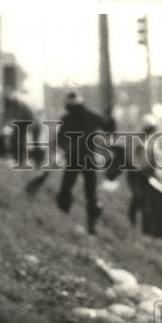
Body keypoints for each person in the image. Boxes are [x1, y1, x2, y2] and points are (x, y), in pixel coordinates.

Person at [56, 91, 115, 235]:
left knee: (66, 190)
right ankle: (90, 224)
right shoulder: (93, 116)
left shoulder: (67, 118)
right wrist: (109, 117)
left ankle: (65, 218)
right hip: (87, 159)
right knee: (90, 194)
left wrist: (66, 148)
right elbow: (109, 129)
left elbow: (60, 140)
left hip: (75, 159)